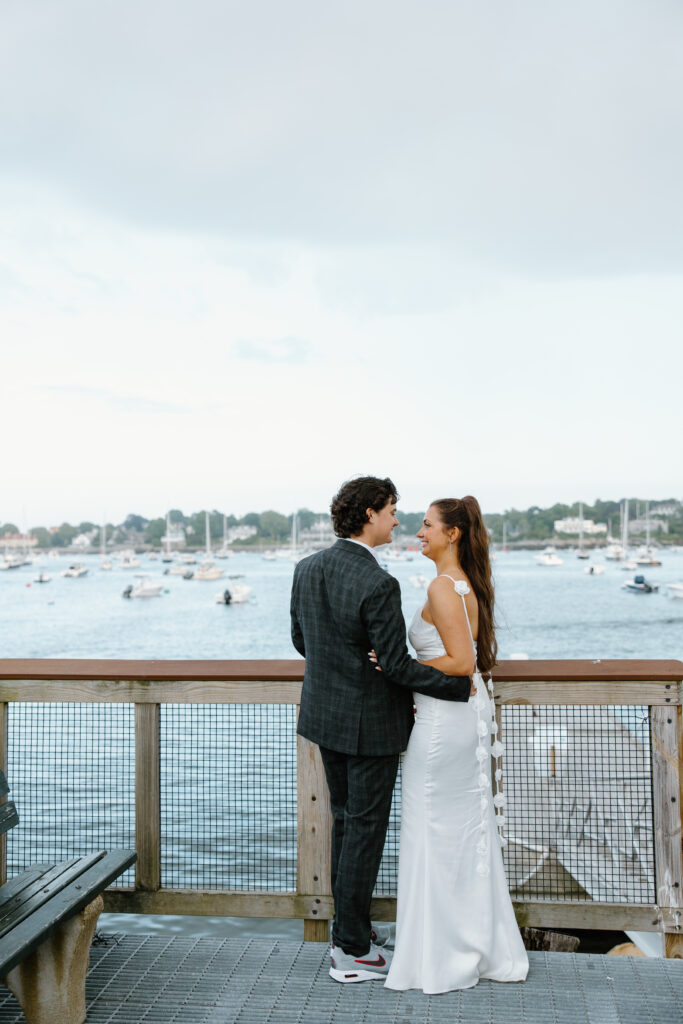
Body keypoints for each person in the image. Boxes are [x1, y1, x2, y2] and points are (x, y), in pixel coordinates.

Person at [290, 476, 472, 984]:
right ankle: (351, 950)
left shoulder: (307, 569)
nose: (397, 520)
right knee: (363, 832)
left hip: (325, 717)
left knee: (346, 824)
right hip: (370, 725)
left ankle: (351, 933)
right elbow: (393, 665)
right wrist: (459, 688)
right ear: (369, 514)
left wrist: (347, 669)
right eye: (392, 510)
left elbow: (301, 639)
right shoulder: (378, 583)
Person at [380, 496, 529, 993]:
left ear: (453, 534)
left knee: (433, 830)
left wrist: (397, 668)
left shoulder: (443, 586)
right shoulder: (467, 584)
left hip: (443, 722)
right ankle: (467, 942)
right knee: (459, 831)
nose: (418, 532)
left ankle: (441, 954)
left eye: (426, 526)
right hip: (460, 720)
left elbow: (463, 663)